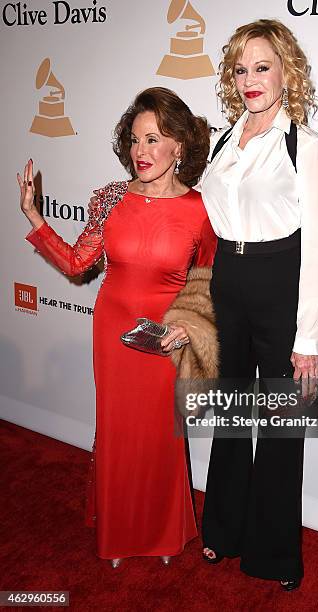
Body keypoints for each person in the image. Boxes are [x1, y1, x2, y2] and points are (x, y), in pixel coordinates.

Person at [17, 87, 217, 567]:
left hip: (165, 337)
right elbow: (77, 263)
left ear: (179, 147)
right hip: (113, 330)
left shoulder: (201, 210)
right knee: (118, 430)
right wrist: (34, 217)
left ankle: (162, 531)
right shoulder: (108, 199)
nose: (141, 151)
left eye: (154, 139)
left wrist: (189, 327)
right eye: (134, 139)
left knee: (161, 436)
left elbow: (208, 281)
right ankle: (119, 529)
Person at [198, 19, 318, 590]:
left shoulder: (309, 147)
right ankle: (223, 530)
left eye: (263, 66)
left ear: (286, 72)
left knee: (280, 427)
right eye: (241, 68)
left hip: (281, 284)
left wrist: (307, 340)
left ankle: (275, 553)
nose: (251, 78)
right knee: (231, 414)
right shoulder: (226, 139)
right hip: (229, 283)